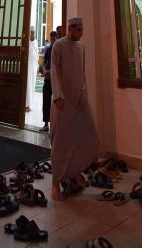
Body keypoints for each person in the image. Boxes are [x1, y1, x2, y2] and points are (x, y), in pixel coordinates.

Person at [50, 17, 99, 201]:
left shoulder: (81, 47)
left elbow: (83, 72)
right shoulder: (59, 46)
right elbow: (54, 71)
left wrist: (83, 93)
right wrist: (57, 96)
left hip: (79, 98)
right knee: (61, 142)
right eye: (79, 30)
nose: (81, 33)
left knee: (87, 135)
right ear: (70, 29)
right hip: (62, 101)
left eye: (82, 29)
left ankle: (75, 171)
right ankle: (56, 183)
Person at [40, 30, 57, 133]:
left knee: (55, 103)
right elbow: (44, 62)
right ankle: (46, 124)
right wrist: (45, 71)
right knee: (46, 101)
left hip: (55, 79)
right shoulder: (48, 49)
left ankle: (54, 127)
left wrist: (51, 72)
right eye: (51, 39)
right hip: (47, 79)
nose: (52, 41)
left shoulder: (59, 49)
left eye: (53, 39)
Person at [25, 27, 39, 112]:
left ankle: (29, 105)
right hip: (27, 67)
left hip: (32, 68)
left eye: (33, 33)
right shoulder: (27, 43)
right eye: (30, 33)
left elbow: (35, 55)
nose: (32, 35)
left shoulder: (35, 43)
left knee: (31, 85)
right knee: (27, 84)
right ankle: (26, 104)